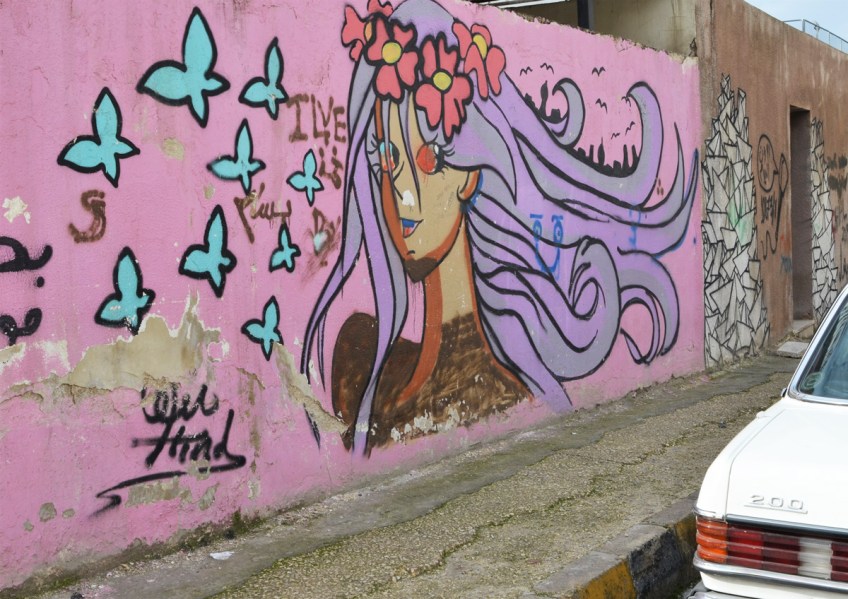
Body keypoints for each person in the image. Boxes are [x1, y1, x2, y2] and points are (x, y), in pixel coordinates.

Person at [302, 0, 698, 454]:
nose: (403, 193)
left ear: (469, 174)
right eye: (390, 160)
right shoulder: (356, 358)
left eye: (428, 160)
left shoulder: (507, 393)